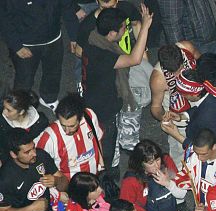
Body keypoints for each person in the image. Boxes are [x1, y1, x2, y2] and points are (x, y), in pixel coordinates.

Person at [80, 5, 153, 179]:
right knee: (107, 145)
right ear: (112, 33)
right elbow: (134, 59)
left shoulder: (92, 38)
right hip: (103, 108)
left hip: (94, 97)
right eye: (123, 28)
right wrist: (145, 27)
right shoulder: (102, 55)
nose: (125, 30)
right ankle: (107, 176)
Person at [147, 42, 200, 162]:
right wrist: (165, 118)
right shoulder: (158, 79)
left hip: (198, 102)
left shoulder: (187, 48)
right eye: (173, 73)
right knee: (181, 153)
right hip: (177, 115)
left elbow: (202, 63)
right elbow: (155, 107)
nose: (178, 75)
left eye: (179, 69)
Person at [35, 94, 104, 180]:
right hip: (70, 185)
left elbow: (97, 139)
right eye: (63, 125)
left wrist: (102, 165)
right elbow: (37, 160)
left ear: (80, 118)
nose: (67, 131)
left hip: (94, 179)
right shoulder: (49, 137)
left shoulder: (90, 116)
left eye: (72, 126)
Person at [163, 69, 216, 150]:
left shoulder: (207, 118)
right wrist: (182, 116)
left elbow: (205, 149)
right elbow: (200, 107)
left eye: (184, 94)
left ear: (195, 94)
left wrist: (177, 135)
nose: (182, 96)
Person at [174, 129, 216, 211]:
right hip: (200, 203)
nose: (199, 158)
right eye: (197, 153)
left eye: (204, 154)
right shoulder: (196, 153)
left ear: (214, 147)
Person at [0, 91, 49, 164]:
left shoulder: (40, 122)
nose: (4, 112)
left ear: (21, 112)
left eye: (9, 110)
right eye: (4, 108)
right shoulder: (2, 121)